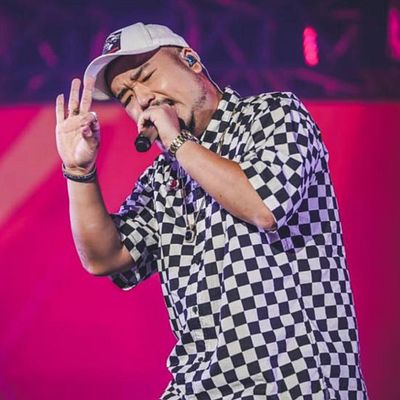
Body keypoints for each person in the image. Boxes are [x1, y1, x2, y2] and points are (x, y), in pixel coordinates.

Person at [55, 22, 368, 399]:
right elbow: (106, 257)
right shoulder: (162, 177)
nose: (143, 100)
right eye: (127, 97)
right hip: (200, 387)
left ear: (191, 60)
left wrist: (176, 142)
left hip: (294, 384)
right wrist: (79, 171)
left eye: (146, 77)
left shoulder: (273, 114)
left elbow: (263, 205)